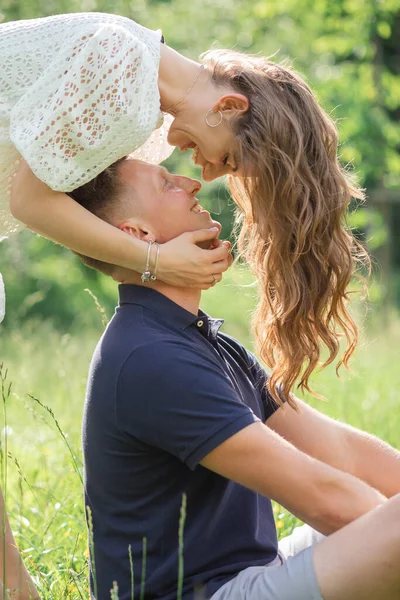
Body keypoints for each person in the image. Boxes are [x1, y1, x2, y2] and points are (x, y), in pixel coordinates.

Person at [71, 157, 400, 600]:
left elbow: (340, 451)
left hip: (254, 572)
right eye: (167, 183)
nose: (191, 183)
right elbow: (323, 497)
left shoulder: (195, 337)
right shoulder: (149, 358)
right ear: (139, 235)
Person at [2, 11, 367, 404]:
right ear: (228, 106)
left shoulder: (147, 108)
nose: (207, 176)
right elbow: (29, 202)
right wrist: (157, 260)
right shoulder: (119, 58)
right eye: (227, 159)